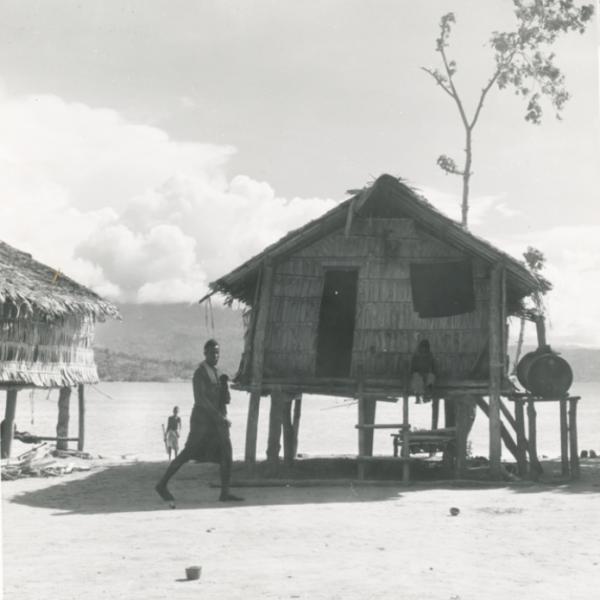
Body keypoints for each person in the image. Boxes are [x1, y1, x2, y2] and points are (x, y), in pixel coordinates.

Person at [155, 339, 243, 506]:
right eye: (212, 353)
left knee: (226, 453)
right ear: (205, 353)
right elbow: (200, 400)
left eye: (217, 353)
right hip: (202, 422)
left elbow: (225, 400)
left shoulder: (217, 373)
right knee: (188, 453)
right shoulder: (200, 373)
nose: (215, 356)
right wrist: (220, 418)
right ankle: (162, 484)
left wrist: (225, 385)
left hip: (217, 421)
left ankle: (225, 492)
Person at [409, 339, 436, 403]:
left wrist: (430, 373)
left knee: (431, 377)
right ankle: (418, 396)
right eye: (422, 347)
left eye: (425, 347)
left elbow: (433, 367)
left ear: (427, 348)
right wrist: (418, 373)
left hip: (427, 373)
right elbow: (412, 368)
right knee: (417, 378)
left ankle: (427, 395)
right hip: (417, 373)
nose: (424, 349)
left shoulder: (430, 355)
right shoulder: (416, 356)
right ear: (420, 347)